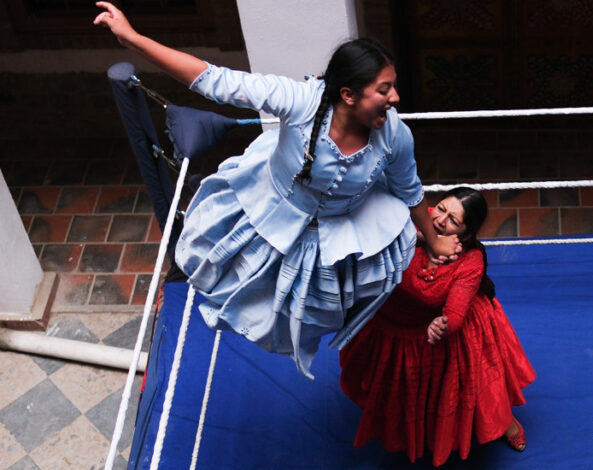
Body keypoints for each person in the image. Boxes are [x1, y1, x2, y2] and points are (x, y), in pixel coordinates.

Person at [93, 2, 461, 379]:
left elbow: (409, 189)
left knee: (314, 310)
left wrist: (432, 241)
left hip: (337, 230)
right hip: (272, 208)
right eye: (384, 89)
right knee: (234, 282)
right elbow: (214, 80)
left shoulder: (394, 135)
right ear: (348, 95)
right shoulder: (300, 101)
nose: (396, 97)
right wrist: (133, 39)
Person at [339, 187, 536, 467]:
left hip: (443, 337)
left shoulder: (470, 260)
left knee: (481, 391)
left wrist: (442, 325)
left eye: (453, 220)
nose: (441, 219)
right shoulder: (417, 220)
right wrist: (424, 239)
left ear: (465, 235)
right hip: (390, 329)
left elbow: (455, 313)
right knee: (396, 397)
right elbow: (370, 227)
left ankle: (504, 421)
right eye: (441, 208)